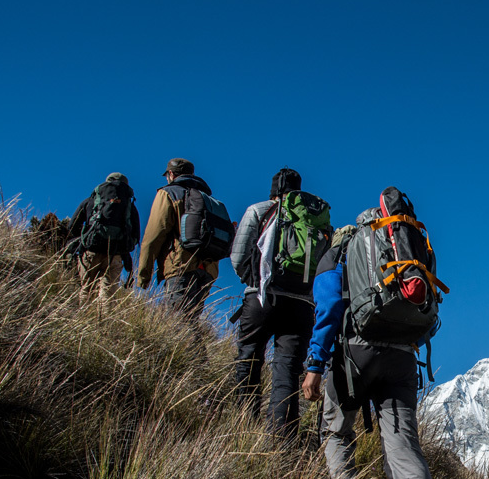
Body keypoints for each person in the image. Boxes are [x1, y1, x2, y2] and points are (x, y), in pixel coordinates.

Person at [300, 209, 440, 479]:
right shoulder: (402, 253)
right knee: (404, 451)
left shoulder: (340, 253)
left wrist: (315, 362)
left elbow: (329, 309)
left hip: (354, 357)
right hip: (401, 357)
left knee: (336, 435)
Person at [230, 168, 320, 438]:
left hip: (262, 297)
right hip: (302, 304)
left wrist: (255, 281)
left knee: (249, 356)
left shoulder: (259, 210)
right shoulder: (316, 220)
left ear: (273, 190)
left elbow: (238, 255)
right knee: (288, 370)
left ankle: (242, 427)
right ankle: (281, 441)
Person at [136, 158, 221, 320]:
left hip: (181, 265)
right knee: (190, 320)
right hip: (208, 271)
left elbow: (153, 236)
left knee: (178, 324)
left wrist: (144, 276)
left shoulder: (168, 193)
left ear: (170, 174)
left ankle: (194, 346)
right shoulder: (207, 199)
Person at [64, 172, 139, 298]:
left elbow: (72, 227)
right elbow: (136, 235)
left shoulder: (90, 202)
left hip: (91, 250)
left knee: (86, 289)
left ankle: (83, 316)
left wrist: (80, 243)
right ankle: (105, 317)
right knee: (108, 295)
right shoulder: (130, 206)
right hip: (116, 254)